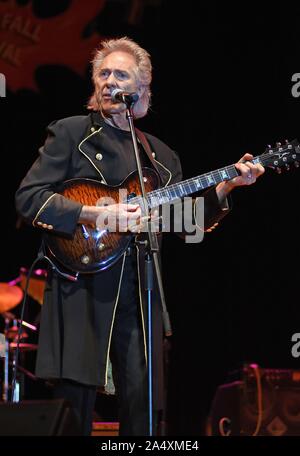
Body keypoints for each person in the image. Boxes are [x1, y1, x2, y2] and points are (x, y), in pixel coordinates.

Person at [15, 37, 264, 436]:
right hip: (81, 290)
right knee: (73, 409)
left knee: (142, 408)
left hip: (140, 296)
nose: (110, 81)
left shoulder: (161, 156)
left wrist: (226, 188)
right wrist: (96, 213)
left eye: (121, 74)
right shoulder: (70, 133)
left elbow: (184, 222)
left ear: (142, 90)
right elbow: (28, 199)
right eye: (103, 73)